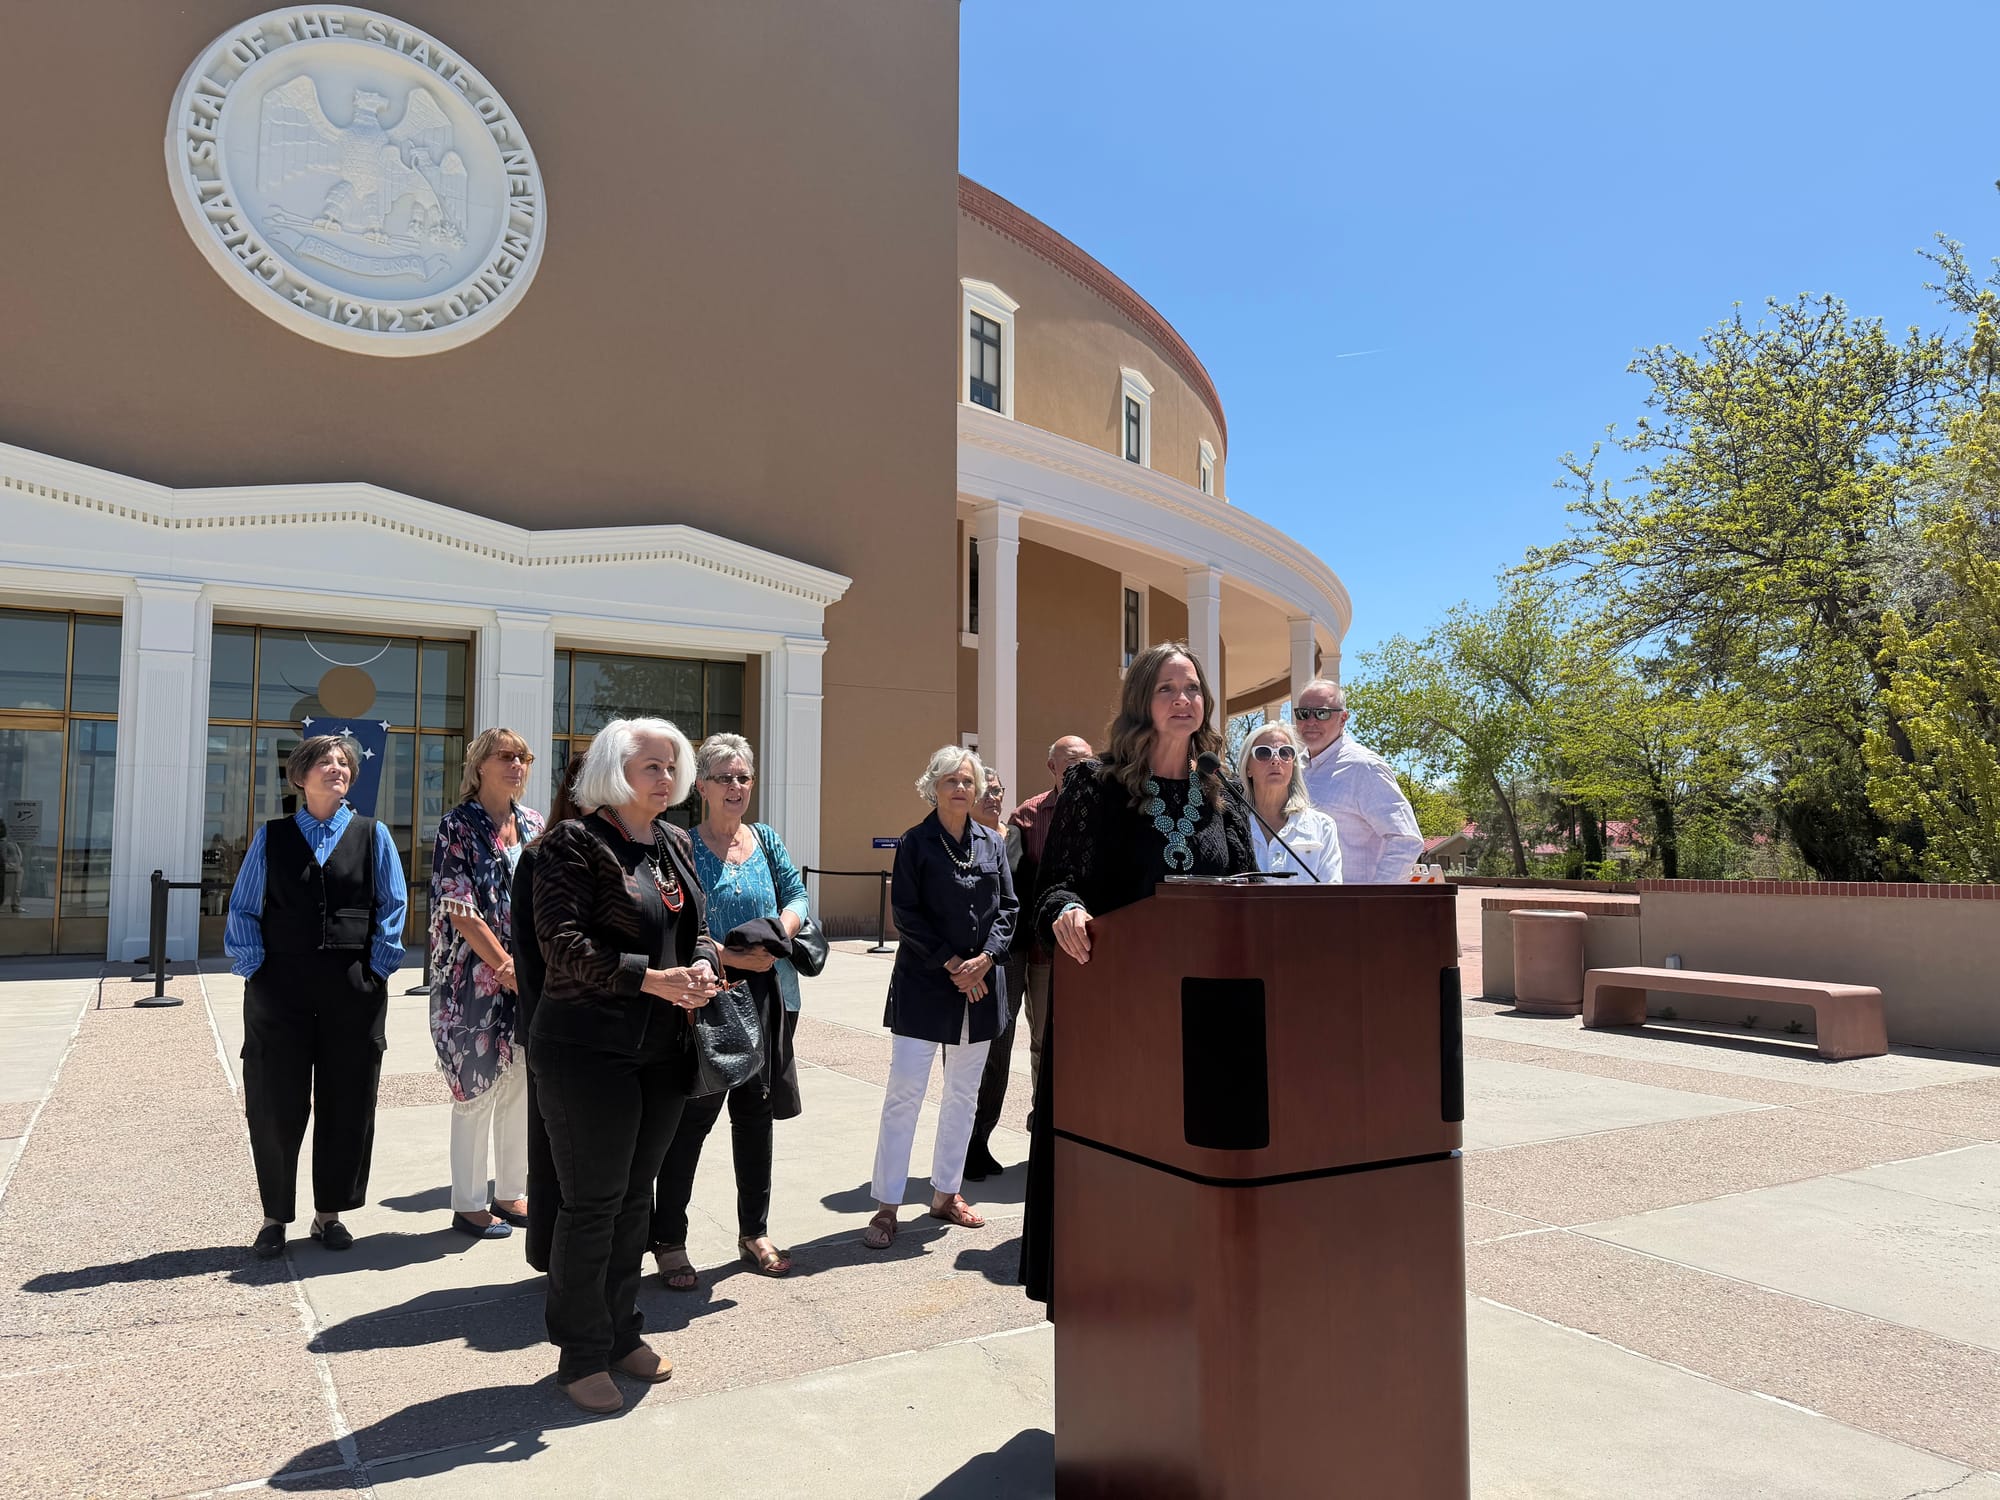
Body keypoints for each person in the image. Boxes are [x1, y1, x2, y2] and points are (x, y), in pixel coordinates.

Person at [1021, 645, 1255, 1312]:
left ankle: (1190, 1296)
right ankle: (1112, 1308)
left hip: (1205, 1026)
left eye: (1193, 688)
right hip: (1117, 1021)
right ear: (1141, 703)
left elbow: (1244, 891)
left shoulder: (1223, 790)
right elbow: (1055, 886)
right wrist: (1066, 910)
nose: (1184, 700)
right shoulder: (1094, 786)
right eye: (1168, 689)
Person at [530, 717, 722, 1415]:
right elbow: (561, 943)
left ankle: (619, 1333)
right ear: (615, 770)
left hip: (660, 1049)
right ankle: (580, 1354)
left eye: (673, 766)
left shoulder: (673, 842)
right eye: (651, 766)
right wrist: (651, 978)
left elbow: (695, 926)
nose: (667, 777)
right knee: (593, 1205)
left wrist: (701, 963)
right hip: (587, 1048)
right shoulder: (572, 843)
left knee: (636, 1199)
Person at [225, 734, 408, 1260]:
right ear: (300, 776)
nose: (338, 768)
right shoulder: (272, 836)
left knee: (347, 1099)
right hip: (278, 988)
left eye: (344, 762)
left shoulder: (372, 835)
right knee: (275, 1101)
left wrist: (378, 968)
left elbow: (392, 906)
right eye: (325, 762)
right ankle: (274, 1216)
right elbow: (243, 907)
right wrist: (254, 968)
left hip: (353, 987)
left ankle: (329, 1214)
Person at [651, 733, 811, 1289]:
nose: (737, 787)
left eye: (744, 777)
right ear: (701, 787)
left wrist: (777, 937)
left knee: (755, 1116)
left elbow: (797, 896)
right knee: (690, 1122)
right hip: (705, 994)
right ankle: (669, 1240)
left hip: (765, 995)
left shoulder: (765, 839)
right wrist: (730, 954)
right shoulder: (680, 845)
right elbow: (674, 924)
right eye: (725, 778)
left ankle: (754, 1231)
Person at [861, 746, 1018, 1250]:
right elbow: (906, 913)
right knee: (904, 1094)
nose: (959, 789)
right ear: (934, 786)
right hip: (927, 986)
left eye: (967, 781)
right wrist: (954, 963)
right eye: (949, 780)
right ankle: (886, 1206)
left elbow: (1008, 910)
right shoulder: (915, 843)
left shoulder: (992, 844)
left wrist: (986, 960)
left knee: (964, 1095)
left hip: (980, 986)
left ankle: (947, 1193)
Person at [428, 729, 545, 1241]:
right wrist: (507, 968)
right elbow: (461, 910)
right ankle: (469, 1202)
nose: (517, 764)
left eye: (524, 757)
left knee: (520, 1083)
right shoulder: (457, 826)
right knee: (474, 1088)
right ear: (479, 764)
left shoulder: (535, 823)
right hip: (473, 979)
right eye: (506, 756)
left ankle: (510, 1191)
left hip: (529, 976)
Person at [511, 758, 584, 1275]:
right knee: (554, 1151)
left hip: (622, 1034)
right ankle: (551, 1255)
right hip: (556, 1028)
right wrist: (541, 1032)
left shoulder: (645, 852)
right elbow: (532, 961)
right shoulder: (539, 857)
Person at [1004, 735, 1093, 1097]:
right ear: (1051, 767)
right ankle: (1042, 1119)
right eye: (1070, 762)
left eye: (1086, 762)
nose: (1079, 769)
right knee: (1045, 1037)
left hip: (1094, 949)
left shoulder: (1107, 814)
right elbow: (1012, 882)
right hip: (1045, 953)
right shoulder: (1028, 815)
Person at [1293, 677, 1424, 883]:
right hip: (1299, 904)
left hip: (1351, 908)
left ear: (1343, 718)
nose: (1311, 721)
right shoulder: (1293, 767)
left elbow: (1406, 840)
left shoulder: (1364, 768)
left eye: (1322, 713)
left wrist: (1373, 900)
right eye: (1303, 713)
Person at [963, 767, 1026, 1181]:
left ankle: (981, 1140)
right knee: (968, 1057)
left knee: (1000, 1051)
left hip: (1010, 960)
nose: (994, 797)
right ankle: (960, 1143)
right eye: (987, 791)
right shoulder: (957, 839)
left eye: (999, 790)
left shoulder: (1014, 835)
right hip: (968, 964)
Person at [1236, 720, 1343, 883]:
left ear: (1293, 765)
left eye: (1285, 752)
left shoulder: (1323, 827)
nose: (1276, 759)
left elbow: (1331, 898)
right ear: (1247, 767)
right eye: (1264, 753)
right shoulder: (1230, 826)